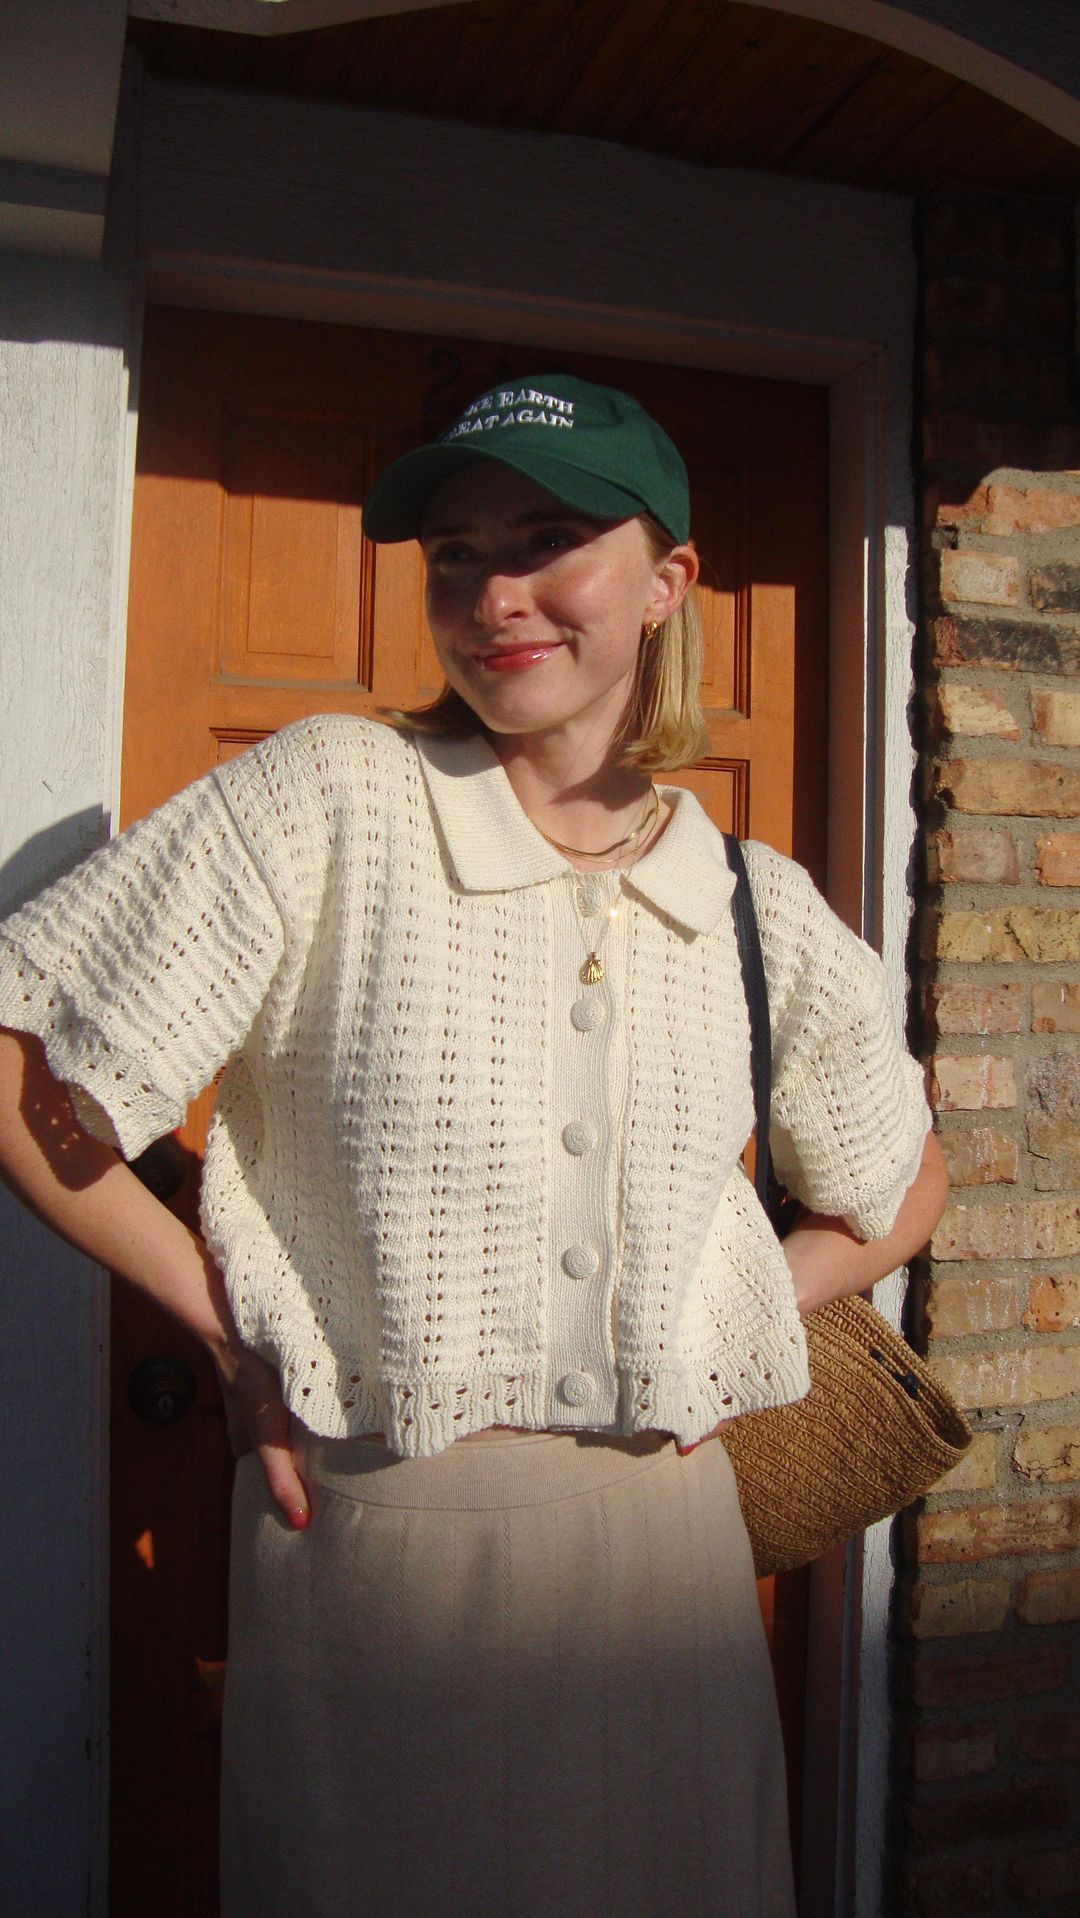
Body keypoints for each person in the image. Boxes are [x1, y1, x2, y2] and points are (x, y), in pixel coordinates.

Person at [0, 372, 947, 1917]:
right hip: (382, 1568)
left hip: (668, 1571)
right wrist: (230, 1329)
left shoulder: (750, 901)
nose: (494, 594)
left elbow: (904, 1182)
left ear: (668, 581)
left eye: (548, 540)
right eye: (455, 552)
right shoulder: (334, 801)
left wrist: (734, 1306)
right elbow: (25, 1062)